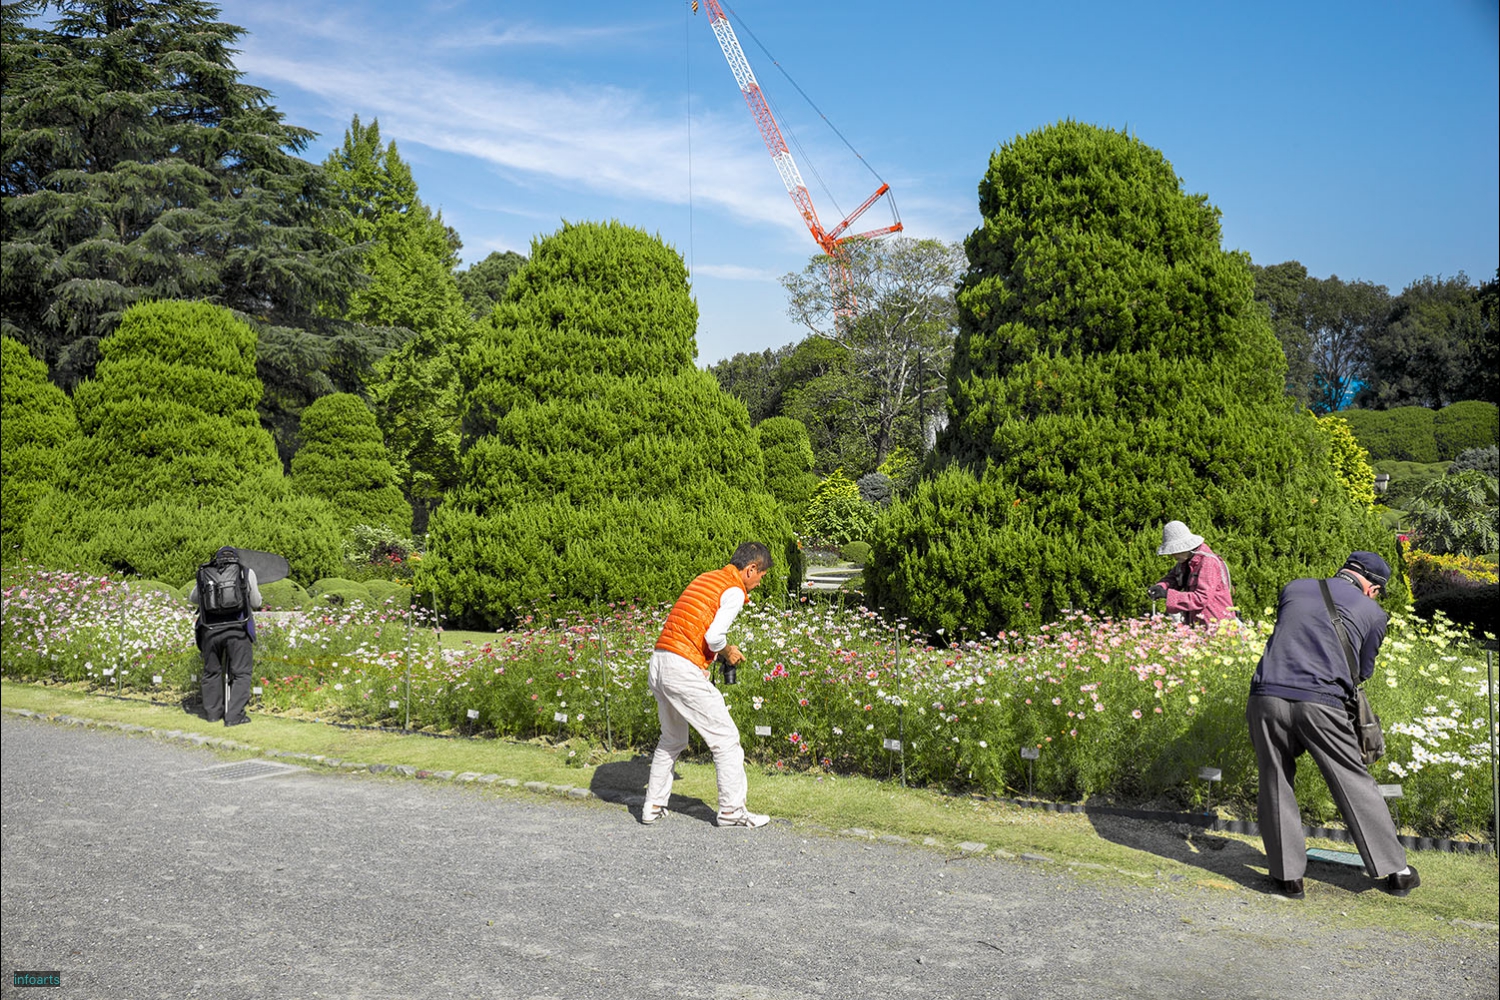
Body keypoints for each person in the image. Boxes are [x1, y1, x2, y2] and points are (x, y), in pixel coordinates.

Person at [1246, 551, 1418, 899]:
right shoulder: (1373, 612)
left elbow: (1291, 632)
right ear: (1372, 587)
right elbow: (1362, 672)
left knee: (1275, 778)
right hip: (1321, 702)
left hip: (1266, 694)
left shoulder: (1294, 588)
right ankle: (1395, 871)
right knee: (1353, 780)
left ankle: (1287, 877)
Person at [642, 542, 773, 828]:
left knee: (672, 739)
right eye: (761, 575)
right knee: (726, 740)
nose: (760, 583)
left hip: (659, 661)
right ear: (750, 569)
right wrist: (727, 651)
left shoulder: (706, 577)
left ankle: (652, 805)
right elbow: (714, 637)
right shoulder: (735, 590)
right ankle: (731, 811)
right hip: (682, 668)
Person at [188, 546, 262, 727]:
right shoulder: (246, 571)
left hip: (210, 630)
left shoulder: (205, 572)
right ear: (236, 558)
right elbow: (256, 602)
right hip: (238, 629)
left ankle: (213, 714)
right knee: (241, 673)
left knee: (211, 672)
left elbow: (193, 598)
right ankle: (234, 716)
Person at [1147, 520, 1234, 625]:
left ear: (1185, 547)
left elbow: (1201, 598)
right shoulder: (1186, 561)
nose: (1172, 555)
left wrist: (1167, 595)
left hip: (1216, 624)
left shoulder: (1208, 562)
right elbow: (1174, 578)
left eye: (1174, 551)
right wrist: (1161, 587)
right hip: (1196, 623)